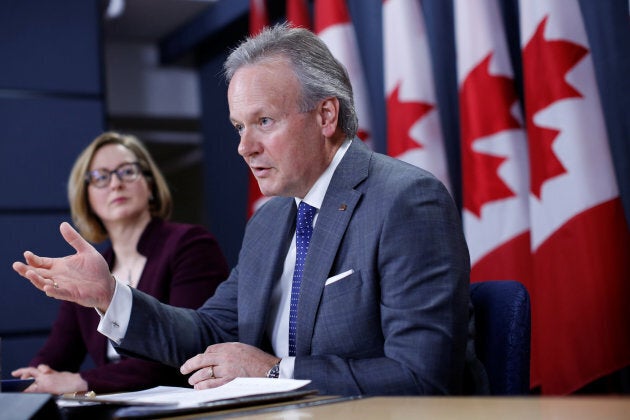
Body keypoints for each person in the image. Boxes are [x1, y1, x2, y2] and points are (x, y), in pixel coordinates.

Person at [13, 23, 487, 396]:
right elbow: (209, 330)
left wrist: (275, 371)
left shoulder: (406, 200)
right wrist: (109, 295)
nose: (244, 147)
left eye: (264, 121)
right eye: (239, 126)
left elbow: (422, 377)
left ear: (326, 116)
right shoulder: (272, 219)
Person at [11, 132, 229, 394]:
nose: (115, 184)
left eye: (127, 171)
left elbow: (187, 350)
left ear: (149, 184)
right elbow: (57, 351)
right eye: (101, 177)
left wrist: (80, 381)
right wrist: (36, 375)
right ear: (87, 198)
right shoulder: (91, 269)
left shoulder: (190, 244)